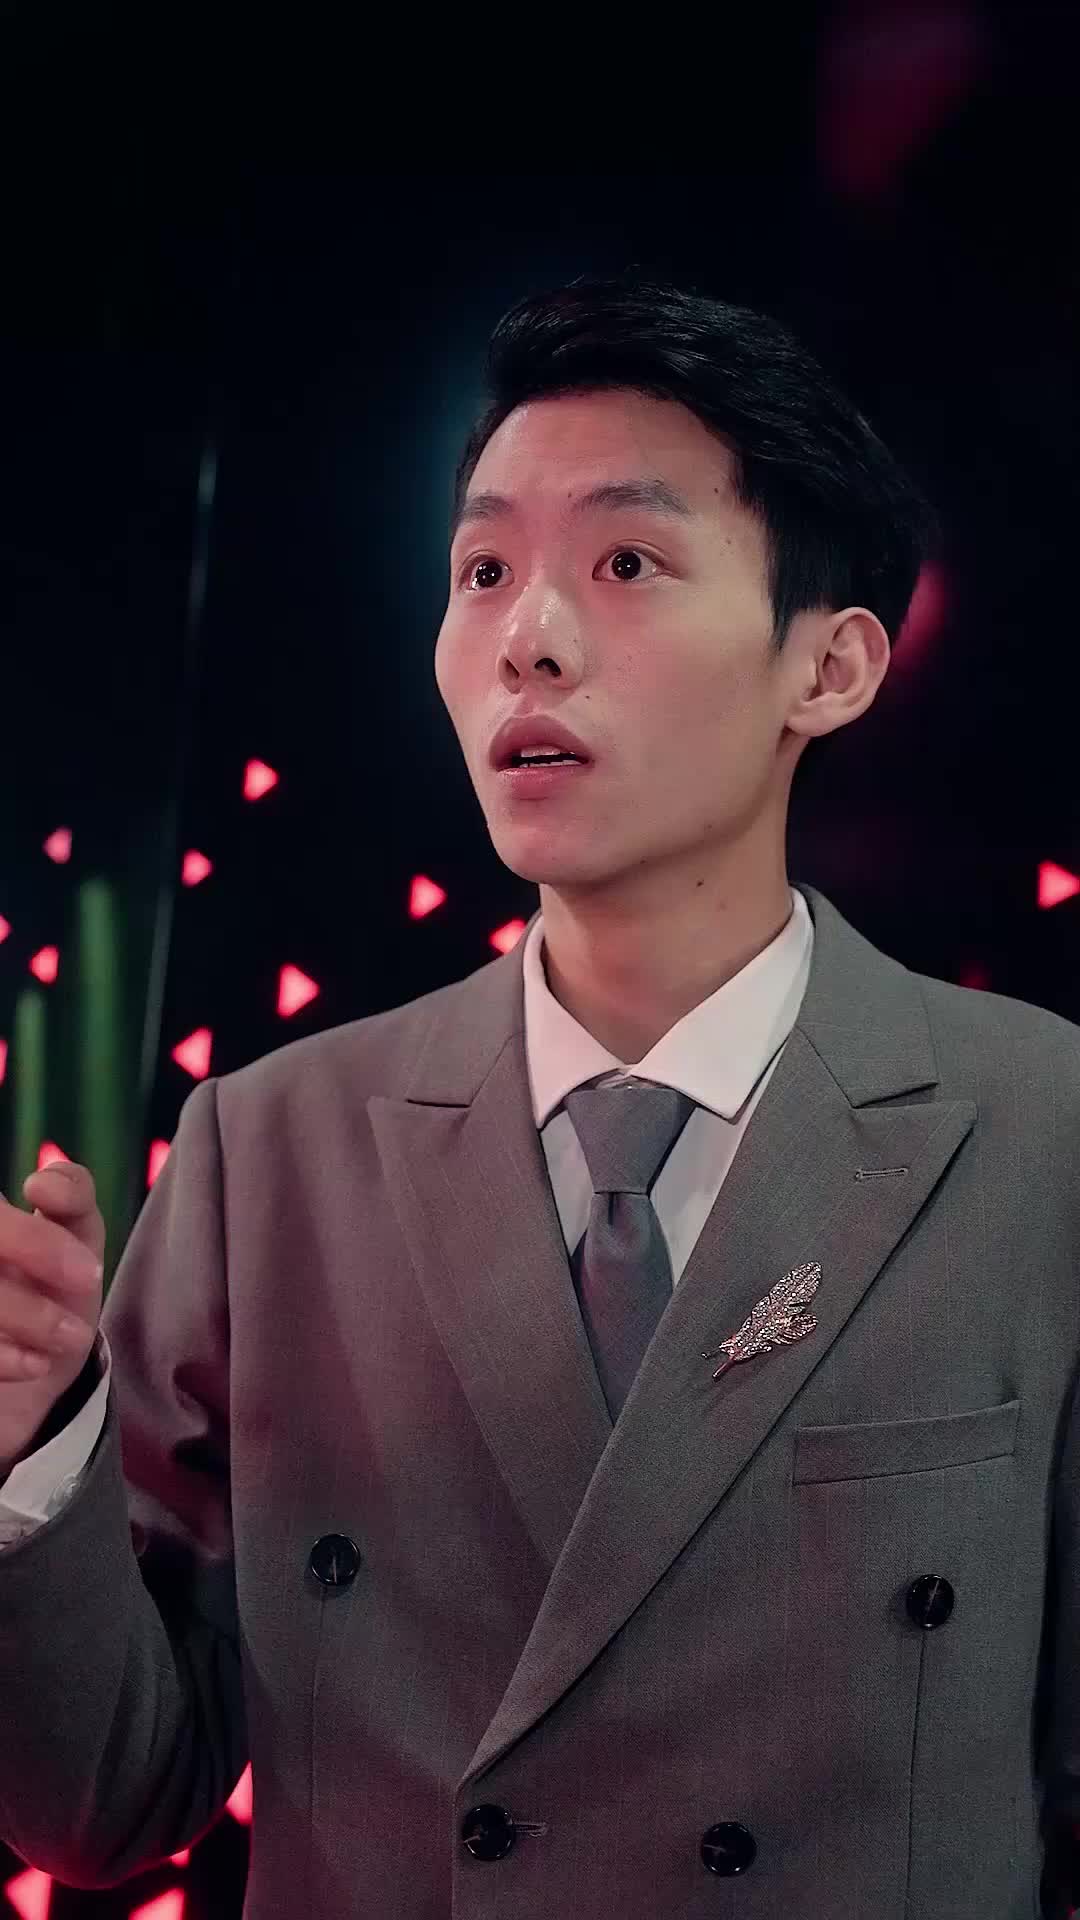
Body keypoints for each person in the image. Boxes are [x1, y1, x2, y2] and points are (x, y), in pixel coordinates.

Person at [0, 274, 1078, 1920]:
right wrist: (32, 1447)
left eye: (626, 563)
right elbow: (106, 1804)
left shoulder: (1042, 1130)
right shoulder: (269, 1150)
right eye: (484, 570)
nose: (529, 635)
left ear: (831, 668)